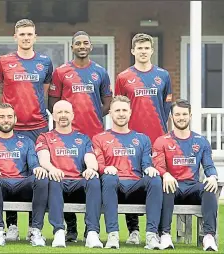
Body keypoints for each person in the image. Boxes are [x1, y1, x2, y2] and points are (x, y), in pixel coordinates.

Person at [0, 18, 53, 241]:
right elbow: (0, 91)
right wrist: (9, 113)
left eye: (30, 34)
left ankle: (33, 227)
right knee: (10, 172)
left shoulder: (45, 62)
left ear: (35, 37)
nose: (26, 38)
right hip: (13, 128)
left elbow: (44, 93)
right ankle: (11, 225)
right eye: (22, 34)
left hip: (38, 126)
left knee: (35, 174)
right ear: (15, 37)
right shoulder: (4, 62)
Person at [49, 31, 112, 242]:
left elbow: (107, 102)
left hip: (94, 135)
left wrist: (93, 115)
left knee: (92, 179)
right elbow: (53, 103)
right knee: (66, 176)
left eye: (86, 43)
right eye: (78, 43)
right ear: (72, 47)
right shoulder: (61, 72)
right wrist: (65, 122)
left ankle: (91, 229)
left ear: (91, 47)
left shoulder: (100, 72)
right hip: (67, 136)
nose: (82, 46)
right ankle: (71, 227)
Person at [114, 33, 173, 243]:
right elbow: (119, 107)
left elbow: (166, 107)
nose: (143, 51)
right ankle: (133, 230)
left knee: (156, 182)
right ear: (133, 51)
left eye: (146, 48)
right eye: (139, 48)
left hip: (157, 138)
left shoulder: (163, 75)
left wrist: (163, 134)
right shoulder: (123, 77)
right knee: (131, 179)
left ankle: (157, 230)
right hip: (131, 140)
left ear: (151, 50)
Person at [92, 95, 162, 250]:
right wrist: (105, 169)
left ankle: (151, 235)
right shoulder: (99, 138)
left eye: (124, 110)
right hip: (113, 185)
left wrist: (149, 168)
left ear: (130, 113)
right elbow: (99, 164)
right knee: (109, 178)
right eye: (117, 110)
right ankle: (113, 235)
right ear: (110, 113)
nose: (121, 114)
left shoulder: (142, 139)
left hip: (136, 186)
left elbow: (145, 163)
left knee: (155, 179)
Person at [0, 103, 49, 247]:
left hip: (22, 185)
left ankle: (35, 231)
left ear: (15, 119)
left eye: (9, 117)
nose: (6, 120)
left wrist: (37, 169)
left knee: (41, 178)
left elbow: (33, 163)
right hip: (0, 184)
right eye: (2, 117)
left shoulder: (26, 141)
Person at [153, 99, 219, 251]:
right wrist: (166, 175)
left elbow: (208, 165)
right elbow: (158, 165)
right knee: (166, 187)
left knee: (209, 188)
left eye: (184, 114)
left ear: (190, 116)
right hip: (173, 185)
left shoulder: (201, 141)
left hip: (192, 186)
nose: (181, 117)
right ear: (172, 117)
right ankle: (165, 235)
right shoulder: (162, 141)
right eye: (177, 114)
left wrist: (212, 177)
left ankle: (209, 237)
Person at [36, 100, 103, 248]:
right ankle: (59, 231)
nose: (63, 115)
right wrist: (52, 169)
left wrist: (91, 168)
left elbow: (91, 159)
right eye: (59, 112)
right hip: (59, 182)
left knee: (94, 180)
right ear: (53, 116)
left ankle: (92, 233)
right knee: (53, 180)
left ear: (72, 115)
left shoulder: (83, 138)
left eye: (66, 112)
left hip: (78, 183)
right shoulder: (45, 137)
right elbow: (43, 159)